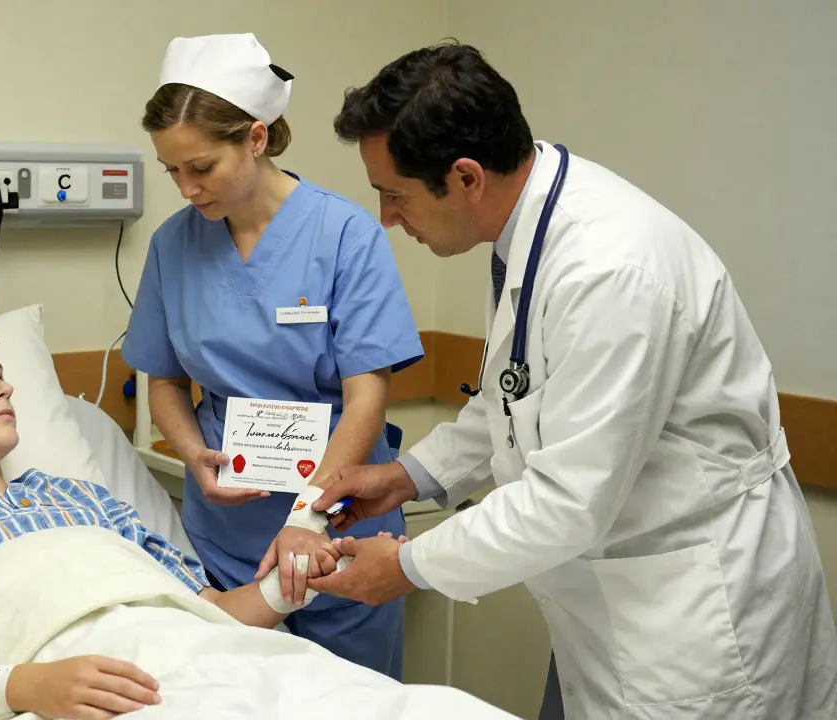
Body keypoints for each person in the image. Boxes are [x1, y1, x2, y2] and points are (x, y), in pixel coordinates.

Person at [306, 42, 837, 719]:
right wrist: (406, 477)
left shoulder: (610, 269)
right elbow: (515, 391)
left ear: (466, 177)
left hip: (693, 616)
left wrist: (404, 568)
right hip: (613, 600)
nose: (386, 218)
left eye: (394, 196)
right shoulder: (532, 225)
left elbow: (568, 502)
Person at [0, 310, 354, 720]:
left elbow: (209, 612)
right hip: (78, 690)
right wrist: (21, 688)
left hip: (205, 661)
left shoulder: (84, 499)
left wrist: (297, 579)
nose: (4, 386)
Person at [120, 33, 425, 681]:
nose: (185, 188)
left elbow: (367, 396)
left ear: (255, 139)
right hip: (225, 541)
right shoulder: (173, 246)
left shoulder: (345, 235)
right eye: (171, 170)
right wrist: (191, 454)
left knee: (351, 699)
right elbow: (165, 384)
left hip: (340, 531)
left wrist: (308, 517)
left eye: (200, 168)